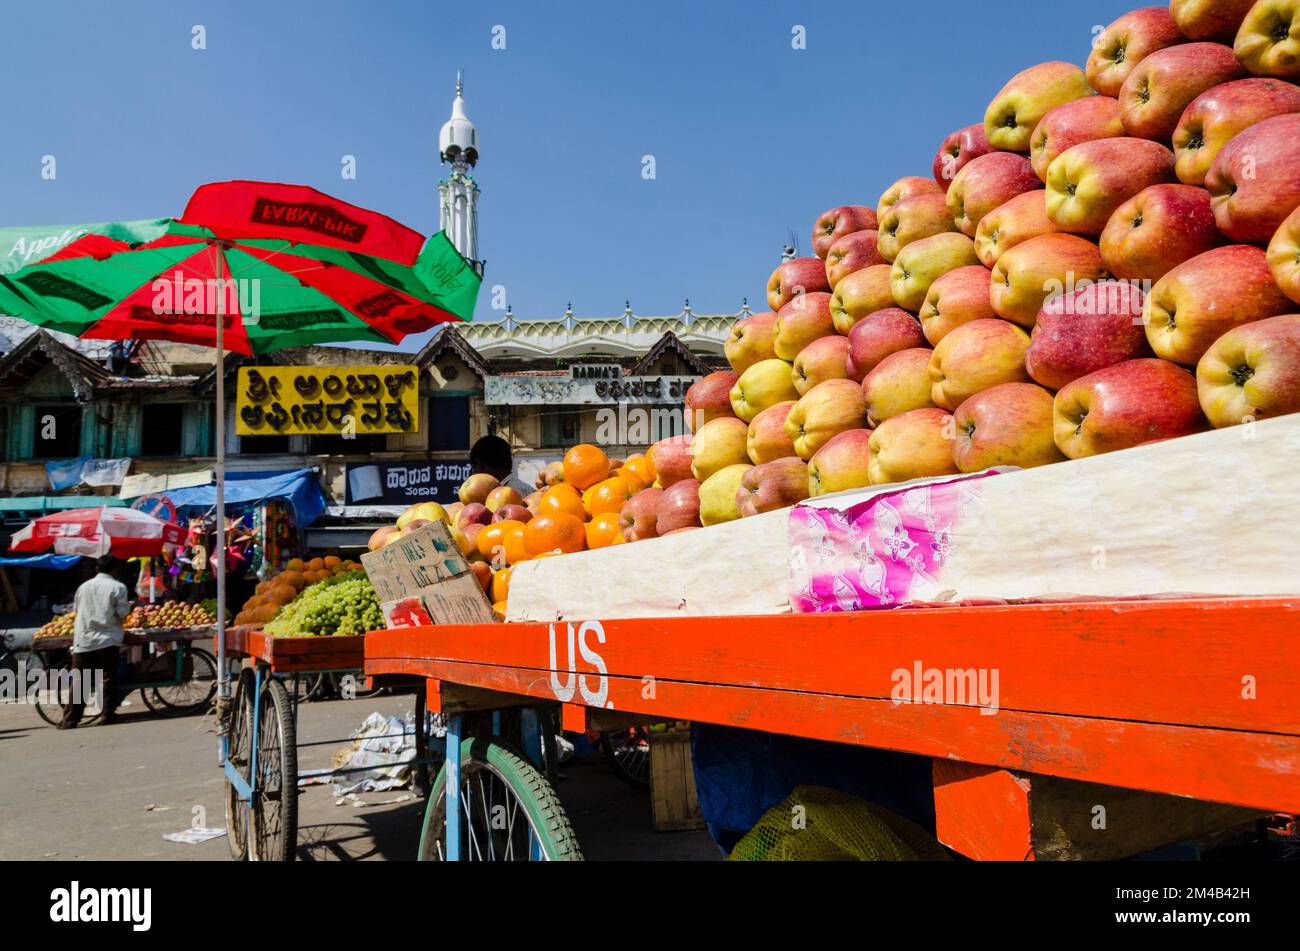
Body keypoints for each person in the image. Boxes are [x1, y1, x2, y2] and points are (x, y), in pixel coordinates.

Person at [58, 554, 130, 729]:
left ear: (97, 569)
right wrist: (129, 607)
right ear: (115, 569)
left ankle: (70, 720)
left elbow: (76, 610)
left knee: (80, 680)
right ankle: (107, 714)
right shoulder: (118, 587)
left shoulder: (83, 587)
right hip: (107, 639)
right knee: (108, 678)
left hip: (84, 639)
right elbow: (122, 613)